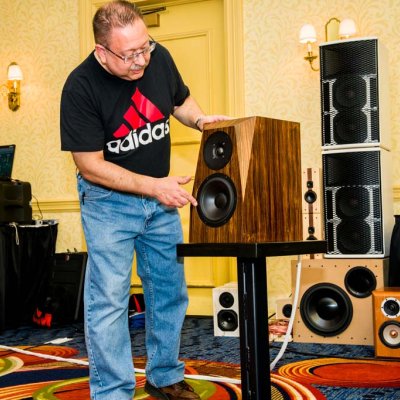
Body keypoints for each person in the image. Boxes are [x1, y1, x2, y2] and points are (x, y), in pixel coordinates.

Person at [60, 1, 229, 399]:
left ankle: (165, 375)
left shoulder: (159, 58)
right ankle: (113, 392)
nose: (141, 60)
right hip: (108, 203)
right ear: (102, 51)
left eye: (145, 47)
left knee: (169, 292)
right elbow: (90, 166)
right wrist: (153, 187)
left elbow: (179, 101)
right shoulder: (80, 87)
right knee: (109, 301)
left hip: (160, 199)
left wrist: (200, 120)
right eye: (129, 54)